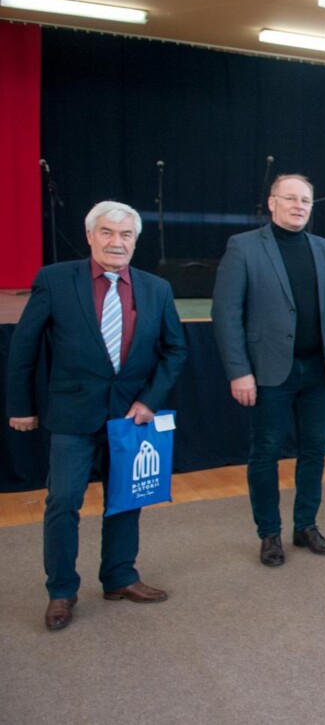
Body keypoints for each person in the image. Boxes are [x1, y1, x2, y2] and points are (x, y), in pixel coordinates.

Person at [6, 201, 187, 631]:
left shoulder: (157, 289)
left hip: (131, 418)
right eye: (107, 232)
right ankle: (61, 590)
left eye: (125, 235)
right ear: (90, 236)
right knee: (63, 502)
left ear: (135, 241)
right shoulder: (55, 280)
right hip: (72, 415)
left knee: (125, 500)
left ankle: (120, 576)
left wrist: (150, 400)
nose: (116, 242)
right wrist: (20, 406)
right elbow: (24, 348)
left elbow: (175, 350)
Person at [212, 174, 325, 567]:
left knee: (314, 451)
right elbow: (226, 314)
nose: (299, 206)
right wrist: (238, 371)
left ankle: (305, 525)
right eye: (290, 198)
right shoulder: (243, 247)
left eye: (305, 200)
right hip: (268, 373)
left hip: (320, 371)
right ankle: (269, 533)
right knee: (266, 453)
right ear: (272, 202)